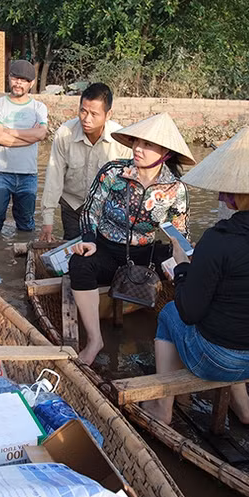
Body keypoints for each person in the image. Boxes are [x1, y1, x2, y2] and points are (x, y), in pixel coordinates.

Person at [143, 126, 249, 429]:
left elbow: (189, 310)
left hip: (223, 359)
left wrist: (183, 269)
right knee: (233, 317)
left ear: (235, 190)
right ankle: (245, 409)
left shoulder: (220, 238)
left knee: (170, 314)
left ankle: (161, 407)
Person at [69, 112, 195, 365]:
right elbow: (89, 210)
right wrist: (89, 239)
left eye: (148, 144)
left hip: (144, 256)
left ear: (165, 153)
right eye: (137, 142)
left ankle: (183, 344)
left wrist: (179, 264)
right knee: (79, 263)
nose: (138, 148)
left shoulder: (175, 189)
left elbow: (179, 234)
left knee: (189, 270)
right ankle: (95, 340)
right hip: (104, 248)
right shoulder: (114, 172)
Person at [39, 83, 132, 242]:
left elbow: (128, 185)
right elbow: (54, 177)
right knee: (72, 251)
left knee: (105, 253)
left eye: (94, 114)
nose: (86, 119)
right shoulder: (65, 134)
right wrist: (47, 221)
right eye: (83, 111)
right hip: (73, 205)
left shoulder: (121, 140)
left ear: (108, 114)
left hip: (106, 208)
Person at [0, 59, 48, 234]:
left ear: (32, 83)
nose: (18, 83)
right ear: (9, 78)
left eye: (24, 80)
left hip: (28, 175)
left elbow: (42, 134)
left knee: (26, 225)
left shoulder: (39, 108)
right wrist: (31, 136)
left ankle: (25, 260)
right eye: (15, 78)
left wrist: (10, 131)